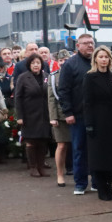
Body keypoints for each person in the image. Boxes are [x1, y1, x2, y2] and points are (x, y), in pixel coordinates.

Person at [82, 46, 112, 201]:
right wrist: (89, 124)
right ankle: (101, 189)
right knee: (99, 156)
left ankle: (109, 187)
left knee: (111, 156)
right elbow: (87, 102)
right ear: (95, 59)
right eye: (101, 57)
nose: (104, 59)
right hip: (97, 120)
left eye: (106, 57)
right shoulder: (90, 77)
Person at [58, 33, 95, 195]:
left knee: (96, 149)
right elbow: (63, 90)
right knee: (79, 148)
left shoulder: (98, 62)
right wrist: (68, 112)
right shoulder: (70, 65)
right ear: (78, 46)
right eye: (85, 43)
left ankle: (97, 181)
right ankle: (80, 183)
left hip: (97, 115)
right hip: (78, 115)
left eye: (91, 42)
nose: (89, 46)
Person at [15, 52, 52, 177]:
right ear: (29, 64)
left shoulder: (47, 76)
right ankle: (33, 167)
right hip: (29, 114)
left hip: (44, 114)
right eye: (33, 63)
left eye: (38, 63)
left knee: (42, 141)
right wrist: (20, 116)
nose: (36, 65)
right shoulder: (23, 77)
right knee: (31, 141)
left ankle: (41, 166)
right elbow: (18, 97)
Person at [47, 57, 72, 187]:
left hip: (75, 114)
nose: (63, 62)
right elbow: (51, 99)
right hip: (60, 116)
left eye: (66, 59)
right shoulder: (53, 77)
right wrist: (53, 117)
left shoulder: (75, 72)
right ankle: (60, 174)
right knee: (61, 146)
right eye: (61, 60)